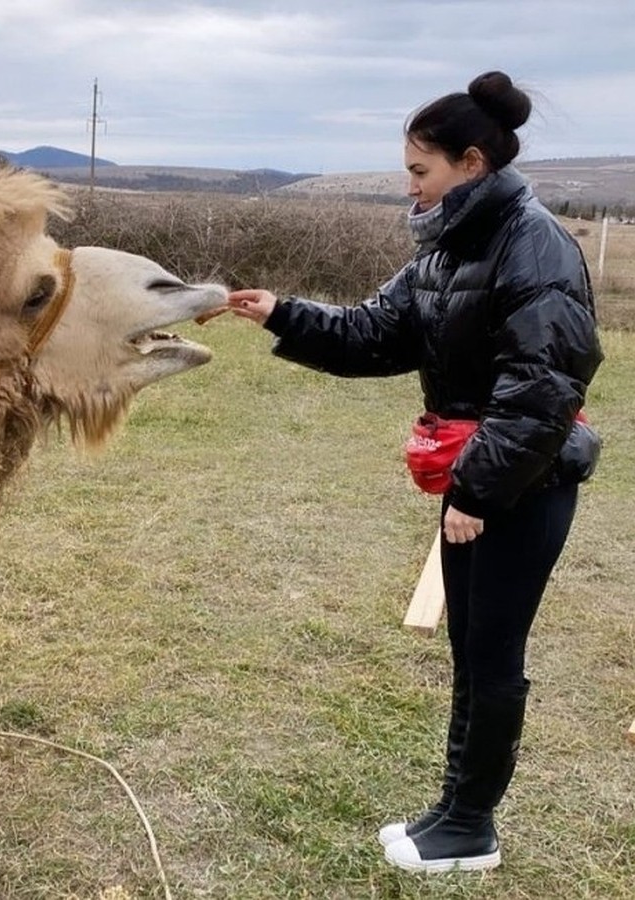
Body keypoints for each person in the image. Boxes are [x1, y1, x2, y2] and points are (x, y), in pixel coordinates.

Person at [223, 71, 604, 873]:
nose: (410, 186)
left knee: (492, 655)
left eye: (419, 170)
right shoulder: (450, 246)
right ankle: (455, 811)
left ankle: (470, 828)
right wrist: (283, 313)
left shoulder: (534, 244)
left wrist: (476, 490)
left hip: (521, 483)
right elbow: (374, 333)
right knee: (472, 648)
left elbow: (544, 386)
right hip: (483, 477)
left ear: (471, 163)